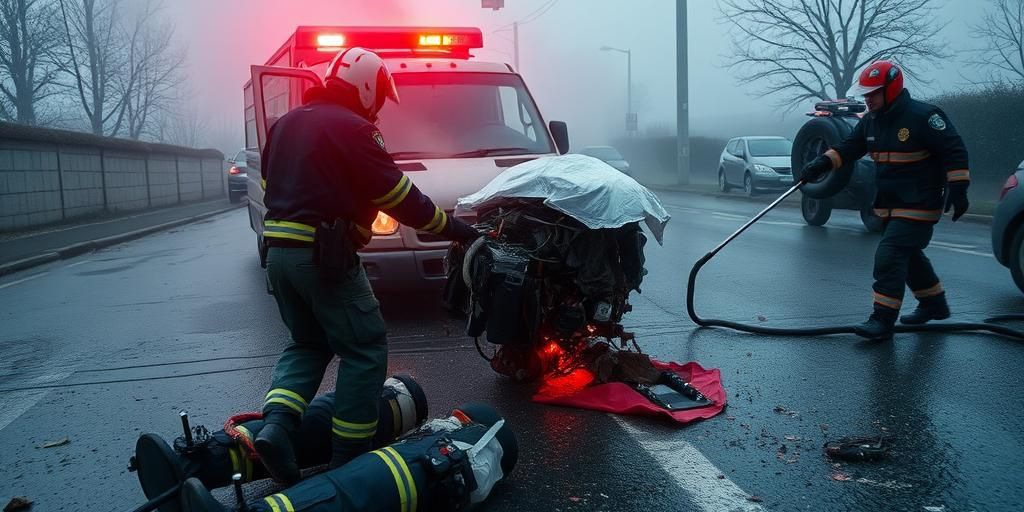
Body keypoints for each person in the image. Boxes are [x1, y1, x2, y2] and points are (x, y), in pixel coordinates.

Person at [257, 47, 479, 483]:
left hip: (279, 257)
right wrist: (457, 229)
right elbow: (401, 199)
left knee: (307, 343)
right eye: (378, 94)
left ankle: (277, 428)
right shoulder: (354, 129)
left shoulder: (286, 124)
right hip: (324, 260)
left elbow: (271, 184)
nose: (378, 105)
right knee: (364, 349)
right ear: (364, 86)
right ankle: (348, 461)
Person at [801, 60, 970, 341]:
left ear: (892, 89)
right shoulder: (871, 121)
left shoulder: (924, 116)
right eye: (865, 94)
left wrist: (959, 187)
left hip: (920, 203)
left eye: (873, 93)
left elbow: (953, 149)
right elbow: (849, 147)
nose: (868, 99)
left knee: (890, 255)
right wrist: (821, 163)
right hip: (890, 202)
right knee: (909, 254)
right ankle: (934, 304)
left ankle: (882, 320)